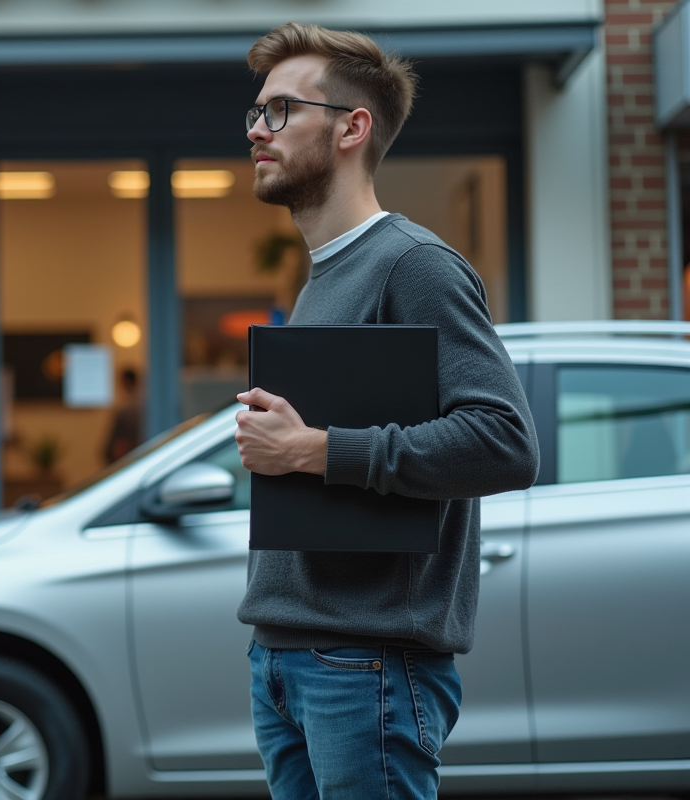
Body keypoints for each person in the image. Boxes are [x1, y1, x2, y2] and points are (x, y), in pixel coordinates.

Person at [232, 23, 540, 800]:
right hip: (286, 656)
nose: (255, 131)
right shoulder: (324, 279)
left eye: (279, 112)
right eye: (254, 113)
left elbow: (505, 442)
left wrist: (312, 450)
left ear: (351, 127)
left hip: (365, 663)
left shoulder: (415, 265)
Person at [103, 367, 142, 464]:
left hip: (127, 458)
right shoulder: (143, 405)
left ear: (126, 381)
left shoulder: (126, 409)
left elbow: (111, 446)